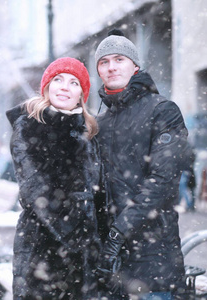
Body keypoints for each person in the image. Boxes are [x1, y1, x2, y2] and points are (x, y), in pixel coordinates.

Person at [94, 29, 191, 299]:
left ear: (135, 65)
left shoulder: (163, 110)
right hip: (110, 264)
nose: (111, 67)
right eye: (104, 62)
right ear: (99, 71)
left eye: (119, 59)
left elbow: (162, 181)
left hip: (153, 258)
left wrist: (119, 231)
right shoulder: (99, 122)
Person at [6, 57, 103, 299]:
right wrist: (76, 237)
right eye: (58, 80)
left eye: (73, 82)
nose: (64, 87)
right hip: (42, 249)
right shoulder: (30, 125)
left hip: (83, 255)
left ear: (82, 93)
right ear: (47, 86)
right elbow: (35, 189)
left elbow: (95, 189)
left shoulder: (87, 130)